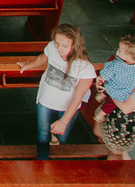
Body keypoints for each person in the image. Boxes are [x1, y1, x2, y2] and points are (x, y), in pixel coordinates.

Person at [18, 24, 95, 160]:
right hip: (46, 100)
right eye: (57, 43)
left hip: (67, 106)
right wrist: (28, 65)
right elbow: (43, 57)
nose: (59, 48)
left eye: (64, 46)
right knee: (42, 137)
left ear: (75, 45)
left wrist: (64, 122)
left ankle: (55, 138)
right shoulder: (53, 47)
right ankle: (42, 162)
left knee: (62, 136)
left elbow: (78, 96)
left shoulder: (85, 67)